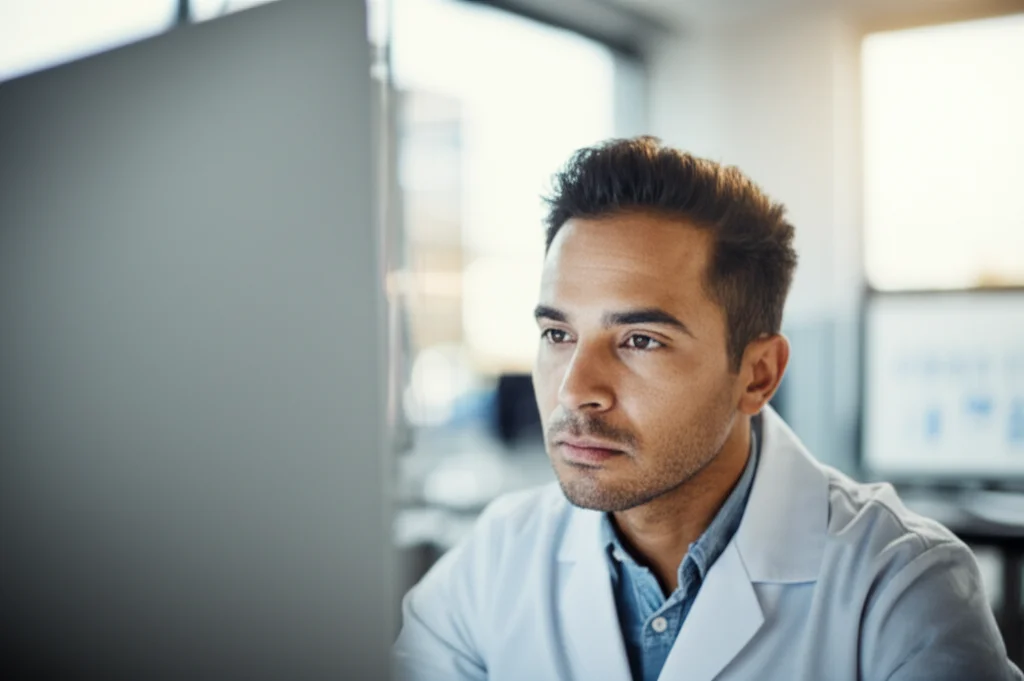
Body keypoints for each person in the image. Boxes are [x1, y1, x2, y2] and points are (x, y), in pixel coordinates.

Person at [393, 137, 1021, 681]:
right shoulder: (493, 561)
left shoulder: (900, 587)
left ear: (757, 374)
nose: (574, 388)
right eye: (558, 335)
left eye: (640, 340)